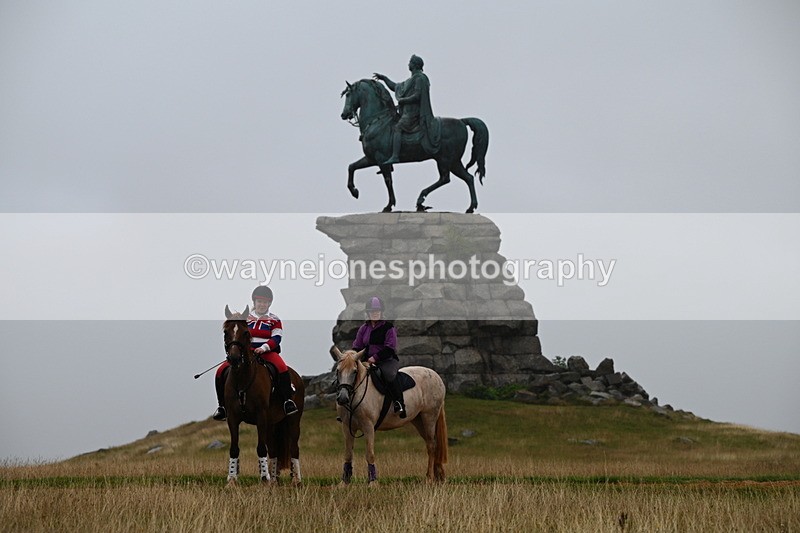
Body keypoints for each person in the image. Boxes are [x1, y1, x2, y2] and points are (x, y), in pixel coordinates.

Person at [213, 286, 298, 420]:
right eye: (259, 302)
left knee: (282, 367)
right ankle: (222, 407)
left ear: (269, 303)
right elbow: (237, 334)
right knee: (220, 371)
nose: (262, 305)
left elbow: (276, 338)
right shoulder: (245, 319)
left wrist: (264, 348)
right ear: (254, 302)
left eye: (265, 302)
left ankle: (288, 401)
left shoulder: (274, 319)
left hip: (268, 352)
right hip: (247, 353)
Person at [373, 54, 441, 165]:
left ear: (414, 65)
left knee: (398, 128)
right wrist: (384, 78)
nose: (408, 64)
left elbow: (418, 95)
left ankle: (395, 156)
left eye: (410, 62)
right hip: (406, 113)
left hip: (414, 114)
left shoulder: (420, 78)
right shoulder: (410, 80)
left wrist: (404, 100)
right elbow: (395, 87)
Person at [352, 296, 406, 418]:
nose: (375, 313)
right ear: (368, 312)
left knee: (390, 375)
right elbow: (357, 345)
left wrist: (375, 358)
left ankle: (399, 403)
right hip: (367, 361)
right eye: (372, 311)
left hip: (386, 361)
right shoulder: (363, 328)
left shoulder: (388, 327)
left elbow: (390, 348)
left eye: (377, 311)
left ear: (381, 312)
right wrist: (353, 357)